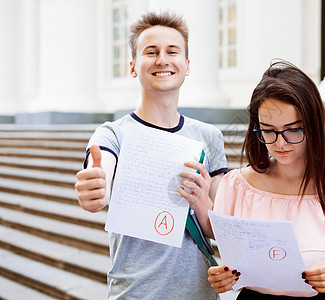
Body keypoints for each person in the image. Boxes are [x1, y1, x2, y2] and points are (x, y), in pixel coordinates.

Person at [184, 60, 325, 299]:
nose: (279, 143)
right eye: (268, 130)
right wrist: (222, 277)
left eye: (292, 129)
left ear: (313, 125)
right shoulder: (238, 184)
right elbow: (225, 246)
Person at [74, 11, 227, 299]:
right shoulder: (112, 134)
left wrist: (204, 200)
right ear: (133, 66)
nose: (162, 60)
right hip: (135, 291)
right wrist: (95, 188)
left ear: (186, 65)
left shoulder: (209, 137)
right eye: (151, 52)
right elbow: (100, 173)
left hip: (200, 293)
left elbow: (222, 225)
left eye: (172, 51)